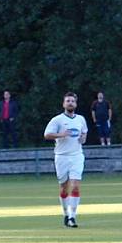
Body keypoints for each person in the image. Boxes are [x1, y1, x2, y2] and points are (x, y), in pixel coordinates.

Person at [44, 92, 88, 228]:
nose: (70, 103)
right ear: (63, 104)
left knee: (75, 185)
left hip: (76, 156)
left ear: (76, 104)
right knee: (64, 187)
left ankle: (72, 217)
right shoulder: (57, 120)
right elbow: (47, 135)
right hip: (61, 156)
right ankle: (65, 214)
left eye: (72, 101)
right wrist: (60, 134)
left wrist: (83, 138)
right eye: (68, 101)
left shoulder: (80, 119)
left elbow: (84, 132)